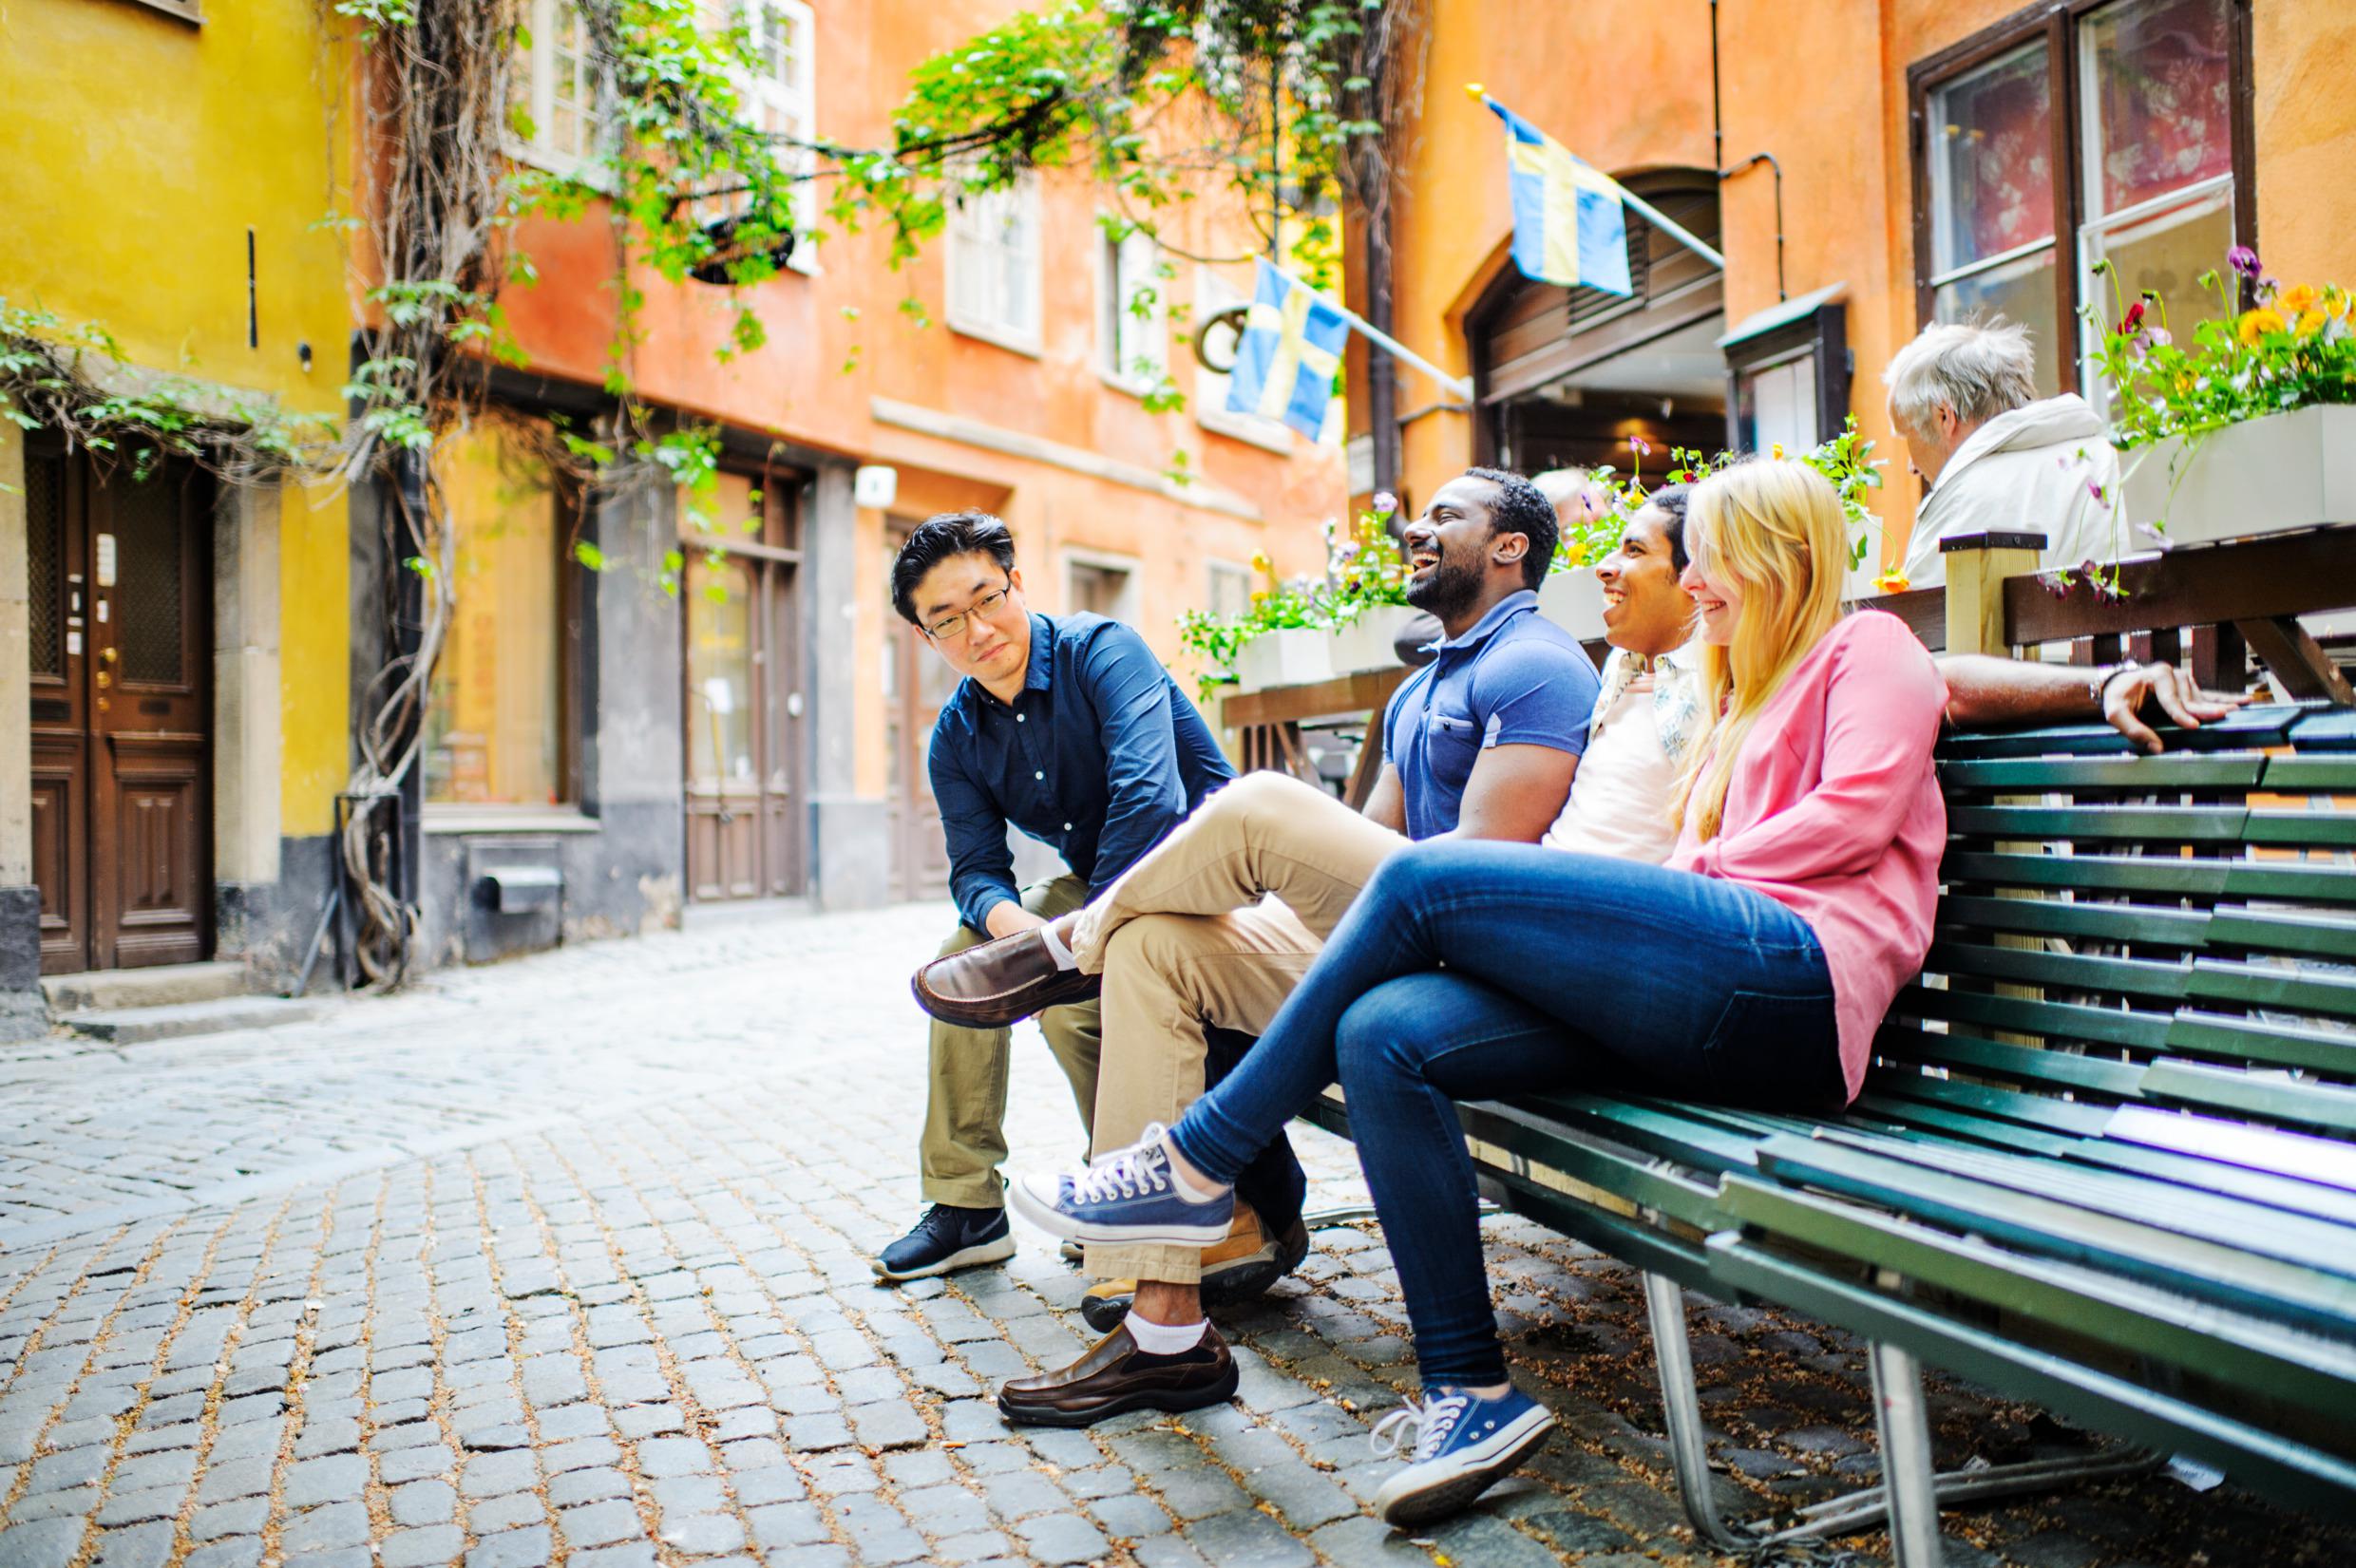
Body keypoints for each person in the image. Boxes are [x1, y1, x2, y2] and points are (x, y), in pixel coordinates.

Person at [1001, 459, 2237, 1523]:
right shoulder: (1736, 680)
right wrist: (2087, 686)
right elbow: (1949, 691)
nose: (1692, 581)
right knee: (1385, 1034)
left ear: (1783, 557)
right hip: (1702, 994)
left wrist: (2095, 684)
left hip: (1792, 986)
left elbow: (1864, 798)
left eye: (1714, 559)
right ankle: (1469, 1389)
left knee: (1427, 884)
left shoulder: (1866, 647)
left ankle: (1203, 1153)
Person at [914, 467, 1603, 1423]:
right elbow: (1367, 847)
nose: (1414, 524)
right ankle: (1161, 1332)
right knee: (1150, 946)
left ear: (1509, 545)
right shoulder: (1419, 690)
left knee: (1262, 804)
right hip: (1392, 938)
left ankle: (1067, 943)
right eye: (943, 618)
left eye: (1445, 514)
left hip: (1477, 955)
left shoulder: (1536, 661)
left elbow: (1475, 870)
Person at [874, 511, 1303, 1288]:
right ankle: (968, 1206)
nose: (977, 628)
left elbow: (1150, 798)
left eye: (986, 598)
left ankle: (1129, 1183)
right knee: (965, 954)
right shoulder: (957, 736)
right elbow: (976, 870)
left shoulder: (1102, 651)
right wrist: (1022, 941)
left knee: (1079, 997)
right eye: (946, 619)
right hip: (1110, 891)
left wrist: (1079, 939)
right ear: (925, 637)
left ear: (1018, 583)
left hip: (1211, 871)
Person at [1887, 317, 2123, 589]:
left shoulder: (1964, 498)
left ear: (1944, 417)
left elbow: (1922, 623)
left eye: (1907, 435)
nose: (1911, 466)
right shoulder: (2101, 456)